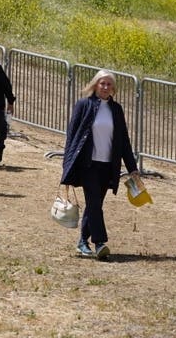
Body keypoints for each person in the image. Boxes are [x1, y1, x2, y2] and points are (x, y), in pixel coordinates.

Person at [61, 71, 141, 260]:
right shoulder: (84, 105)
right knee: (95, 203)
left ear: (113, 88)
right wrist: (67, 164)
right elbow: (72, 136)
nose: (105, 87)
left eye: (109, 84)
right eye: (102, 83)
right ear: (95, 85)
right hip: (88, 164)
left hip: (108, 166)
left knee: (94, 204)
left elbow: (124, 141)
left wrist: (132, 168)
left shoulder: (116, 109)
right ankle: (99, 242)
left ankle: (82, 242)